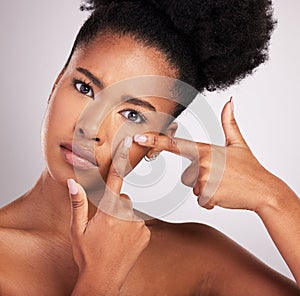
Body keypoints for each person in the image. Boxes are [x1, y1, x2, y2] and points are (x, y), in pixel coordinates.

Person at [0, 0, 299, 295]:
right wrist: (101, 278)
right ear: (55, 85)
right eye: (85, 88)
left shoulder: (196, 257)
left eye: (132, 115)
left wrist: (273, 198)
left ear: (157, 141)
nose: (90, 128)